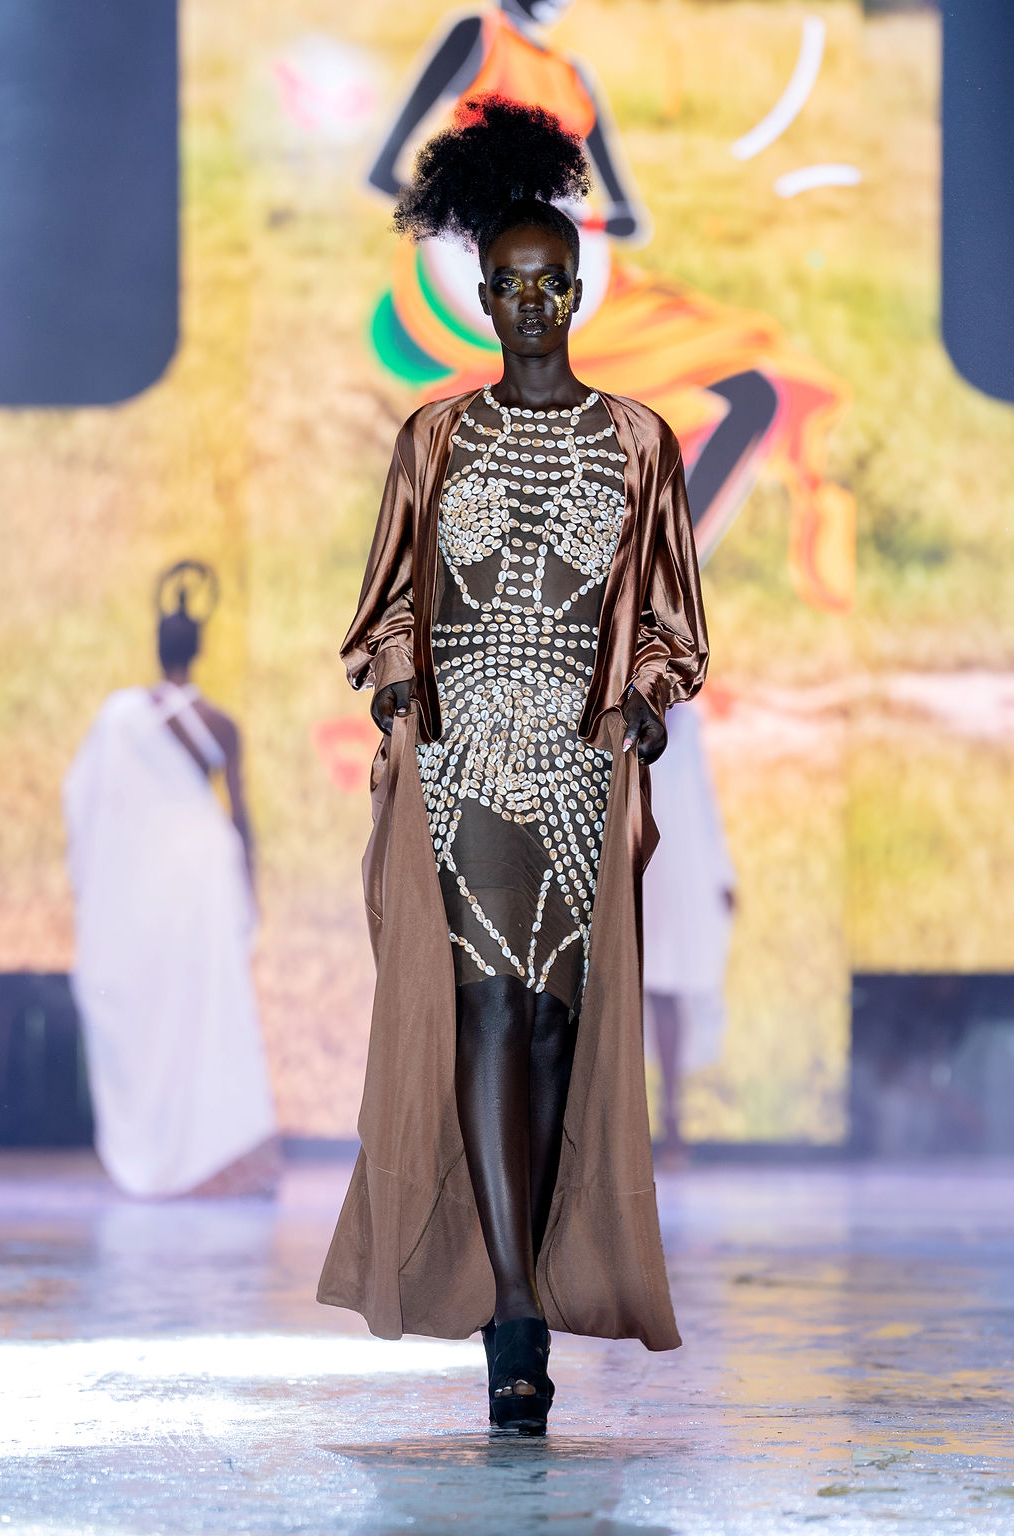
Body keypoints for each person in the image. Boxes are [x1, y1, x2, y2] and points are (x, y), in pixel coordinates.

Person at [317, 99, 708, 1434]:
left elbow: (672, 627)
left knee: (551, 1025)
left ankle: (520, 1267)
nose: (532, 305)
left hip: (584, 770)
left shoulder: (641, 442)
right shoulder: (432, 439)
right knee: (486, 1006)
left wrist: (644, 702)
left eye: (552, 283)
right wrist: (400, 679)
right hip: (466, 758)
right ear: (481, 296)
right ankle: (515, 1316)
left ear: (578, 290)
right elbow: (384, 606)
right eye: (510, 285)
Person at [366, 0, 855, 613]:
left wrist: (587, 218)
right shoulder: (479, 37)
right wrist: (461, 221)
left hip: (589, 296)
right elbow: (383, 173)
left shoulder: (573, 78)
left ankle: (652, 595)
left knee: (755, 389)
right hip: (489, 303)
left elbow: (628, 217)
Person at [63, 561, 280, 1199]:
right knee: (204, 1008)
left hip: (154, 885)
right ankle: (210, 1154)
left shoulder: (121, 716)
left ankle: (163, 1146)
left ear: (158, 646)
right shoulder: (219, 723)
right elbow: (240, 818)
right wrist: (249, 886)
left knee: (164, 1005)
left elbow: (86, 799)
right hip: (205, 879)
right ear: (199, 647)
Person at [643, 700, 736, 1166]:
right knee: (628, 995)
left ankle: (671, 1120)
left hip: (678, 866)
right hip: (629, 859)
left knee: (667, 987)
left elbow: (702, 798)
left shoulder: (687, 717)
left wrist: (722, 871)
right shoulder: (614, 701)